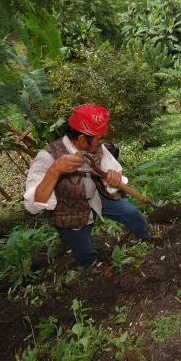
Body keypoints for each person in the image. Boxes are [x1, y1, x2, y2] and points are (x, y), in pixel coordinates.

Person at [24, 104, 150, 269]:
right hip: (68, 211)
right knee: (84, 251)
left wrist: (112, 177)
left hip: (97, 197)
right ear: (83, 139)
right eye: (100, 138)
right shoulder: (46, 158)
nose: (103, 141)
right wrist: (54, 171)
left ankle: (147, 240)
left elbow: (112, 171)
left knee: (132, 213)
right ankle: (93, 268)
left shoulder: (97, 148)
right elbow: (33, 206)